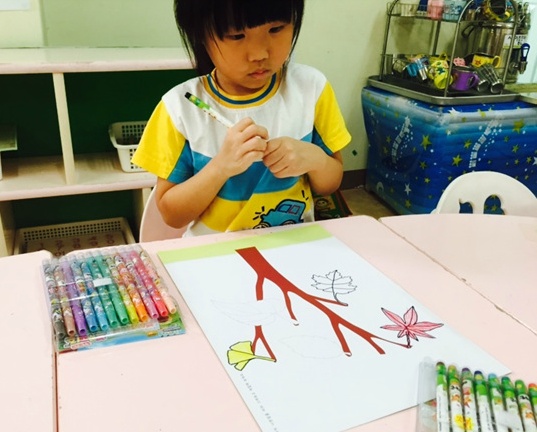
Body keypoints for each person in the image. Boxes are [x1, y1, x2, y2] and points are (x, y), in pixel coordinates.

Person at [132, 0, 351, 236]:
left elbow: (331, 184)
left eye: (276, 29)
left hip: (291, 246)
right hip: (215, 252)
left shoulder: (311, 89)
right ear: (200, 36)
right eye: (237, 36)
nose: (259, 54)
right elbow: (172, 216)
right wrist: (220, 168)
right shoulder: (179, 108)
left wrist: (315, 160)